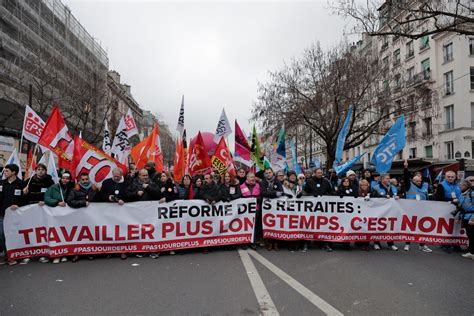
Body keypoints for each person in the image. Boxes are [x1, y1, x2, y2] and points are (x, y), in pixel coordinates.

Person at [66, 173, 99, 262]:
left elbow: (100, 199)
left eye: (86, 179)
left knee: (90, 235)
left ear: (89, 179)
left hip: (91, 217)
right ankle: (77, 254)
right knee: (78, 235)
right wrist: (83, 203)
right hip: (78, 217)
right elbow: (69, 201)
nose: (85, 181)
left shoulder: (94, 189)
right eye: (83, 179)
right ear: (80, 180)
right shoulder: (75, 190)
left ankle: (89, 253)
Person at [402, 160, 432, 252]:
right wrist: (406, 168)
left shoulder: (425, 186)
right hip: (411, 210)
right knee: (410, 228)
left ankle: (422, 244)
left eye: (420, 181)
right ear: (413, 180)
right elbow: (406, 177)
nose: (418, 182)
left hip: (422, 210)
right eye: (416, 181)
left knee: (422, 228)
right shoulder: (409, 185)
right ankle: (407, 244)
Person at [44, 171, 73, 264]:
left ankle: (64, 254)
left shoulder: (72, 188)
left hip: (68, 216)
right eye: (63, 178)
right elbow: (47, 198)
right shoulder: (53, 187)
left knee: (66, 235)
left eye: (67, 179)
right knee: (57, 235)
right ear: (60, 179)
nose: (65, 180)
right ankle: (57, 255)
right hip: (56, 216)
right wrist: (57, 202)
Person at [0, 164, 27, 266]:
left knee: (13, 236)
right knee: (2, 235)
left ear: (14, 172)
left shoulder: (22, 184)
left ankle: (13, 256)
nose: (4, 172)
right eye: (4, 171)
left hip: (16, 216)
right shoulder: (2, 183)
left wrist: (24, 195)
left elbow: (26, 201)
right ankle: (6, 255)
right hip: (2, 214)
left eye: (7, 171)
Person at [371, 174, 399, 251]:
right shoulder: (376, 187)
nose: (389, 180)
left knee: (390, 227)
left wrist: (397, 197)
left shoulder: (393, 187)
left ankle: (390, 243)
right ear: (382, 179)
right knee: (378, 226)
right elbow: (373, 198)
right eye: (387, 178)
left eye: (389, 178)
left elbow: (396, 196)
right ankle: (376, 243)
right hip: (379, 210)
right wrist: (383, 197)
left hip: (390, 211)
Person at [260, 168, 283, 251]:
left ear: (272, 173)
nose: (268, 174)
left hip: (276, 207)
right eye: (267, 173)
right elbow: (263, 193)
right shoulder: (263, 182)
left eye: (269, 172)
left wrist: (269, 193)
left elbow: (280, 192)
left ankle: (276, 243)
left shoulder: (277, 181)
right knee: (268, 224)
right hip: (267, 207)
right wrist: (274, 193)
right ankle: (269, 243)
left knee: (276, 223)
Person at [240, 172, 261, 249]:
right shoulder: (241, 186)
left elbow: (261, 196)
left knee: (254, 226)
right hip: (245, 210)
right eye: (251, 177)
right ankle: (245, 242)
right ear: (247, 178)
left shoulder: (258, 186)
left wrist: (255, 199)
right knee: (245, 226)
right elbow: (240, 198)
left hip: (255, 209)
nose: (252, 179)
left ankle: (253, 242)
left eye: (253, 177)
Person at [455, 180, 474, 259]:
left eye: (461, 185)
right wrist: (458, 217)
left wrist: (473, 219)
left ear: (466, 186)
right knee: (469, 235)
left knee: (472, 235)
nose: (460, 187)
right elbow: (460, 207)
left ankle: (472, 253)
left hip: (471, 217)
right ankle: (471, 250)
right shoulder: (462, 194)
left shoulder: (472, 194)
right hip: (465, 217)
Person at [355, 179, 371, 251]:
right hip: (358, 212)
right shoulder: (356, 191)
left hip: (368, 212)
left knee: (366, 228)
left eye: (365, 185)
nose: (364, 186)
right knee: (358, 227)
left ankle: (366, 244)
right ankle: (358, 242)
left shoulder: (371, 192)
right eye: (362, 185)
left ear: (368, 185)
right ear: (360, 186)